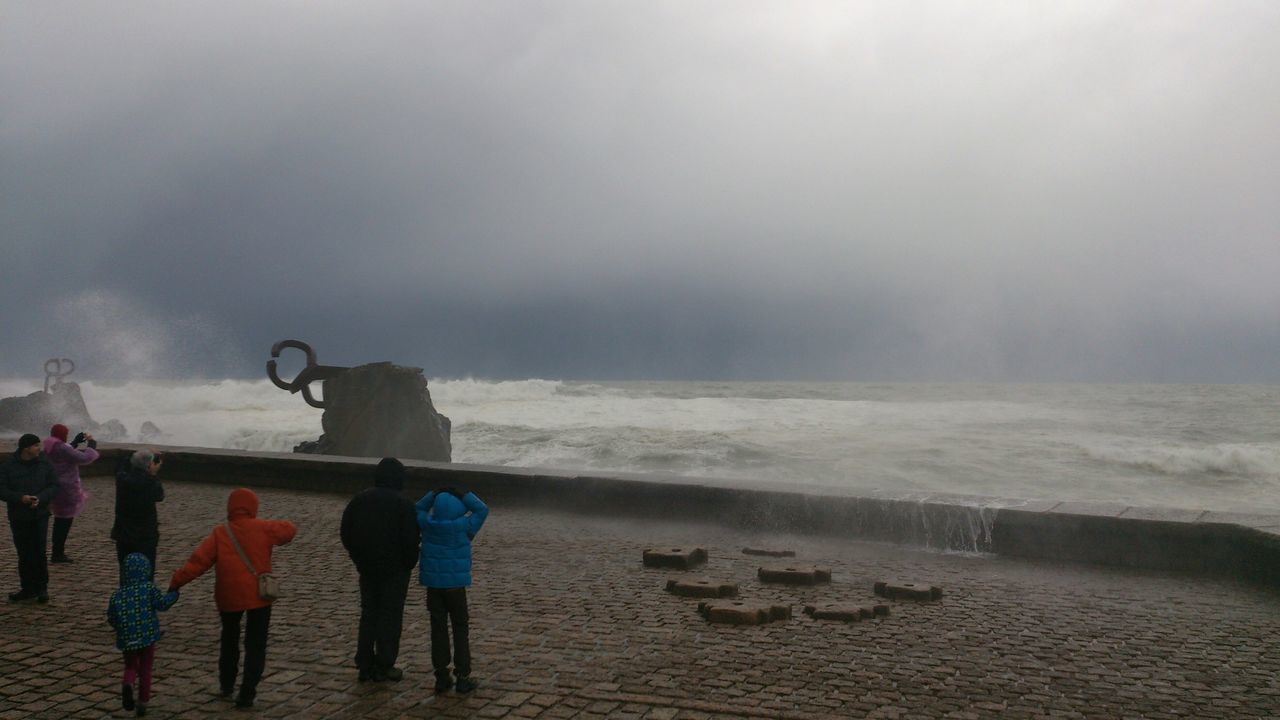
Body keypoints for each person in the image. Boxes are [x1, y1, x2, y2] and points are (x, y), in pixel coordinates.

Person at [169, 488, 297, 709]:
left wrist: (176, 582)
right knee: (256, 645)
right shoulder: (264, 528)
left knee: (229, 640)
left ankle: (227, 684)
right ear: (253, 507)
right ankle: (247, 693)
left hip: (229, 596)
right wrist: (266, 523)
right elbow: (289, 530)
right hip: (260, 595)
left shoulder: (221, 532)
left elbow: (198, 562)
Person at [340, 458, 420, 683]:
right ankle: (385, 664)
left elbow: (346, 532)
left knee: (369, 614)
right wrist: (408, 563)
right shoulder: (403, 504)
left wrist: (358, 558)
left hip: (367, 567)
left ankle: (364, 663)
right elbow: (410, 539)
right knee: (390, 616)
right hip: (395, 571)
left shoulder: (360, 499)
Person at [416, 486, 488, 694]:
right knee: (460, 630)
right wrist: (464, 494)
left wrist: (432, 494)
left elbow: (417, 508)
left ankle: (441, 676)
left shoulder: (427, 524)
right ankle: (463, 676)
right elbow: (482, 509)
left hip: (434, 586)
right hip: (456, 588)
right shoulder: (464, 525)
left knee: (438, 630)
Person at [108, 552, 179, 717]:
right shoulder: (149, 588)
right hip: (148, 636)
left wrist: (121, 628)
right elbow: (162, 604)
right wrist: (174, 594)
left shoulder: (117, 595)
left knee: (131, 666)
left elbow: (111, 617)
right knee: (146, 669)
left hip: (127, 638)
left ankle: (128, 683)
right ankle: (142, 703)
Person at [0, 434, 60, 603]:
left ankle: (42, 588)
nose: (39, 449)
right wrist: (20, 498)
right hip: (19, 516)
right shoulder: (8, 467)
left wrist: (40, 498)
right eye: (36, 446)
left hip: (39, 515)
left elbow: (55, 486)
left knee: (39, 551)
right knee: (24, 553)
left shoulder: (44, 464)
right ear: (26, 448)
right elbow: (2, 489)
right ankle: (27, 588)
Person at [42, 423, 99, 563]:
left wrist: (75, 442)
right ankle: (58, 554)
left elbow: (64, 451)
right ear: (63, 435)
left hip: (56, 487)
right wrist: (91, 444)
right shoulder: (61, 447)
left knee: (59, 520)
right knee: (64, 521)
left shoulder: (50, 446)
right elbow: (84, 458)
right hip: (67, 490)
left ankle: (57, 551)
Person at [112, 449, 165, 581]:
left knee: (125, 570)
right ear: (149, 466)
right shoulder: (150, 482)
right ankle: (144, 598)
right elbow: (160, 495)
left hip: (123, 534)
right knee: (147, 571)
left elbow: (121, 465)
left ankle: (125, 597)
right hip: (145, 536)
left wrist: (137, 454)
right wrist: (153, 473)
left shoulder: (122, 479)